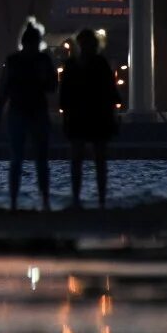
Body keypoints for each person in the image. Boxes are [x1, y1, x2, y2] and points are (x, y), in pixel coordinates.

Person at [0, 19, 57, 211]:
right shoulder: (42, 60)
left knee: (20, 159)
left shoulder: (15, 60)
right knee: (35, 160)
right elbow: (52, 88)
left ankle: (16, 202)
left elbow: (4, 90)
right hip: (31, 112)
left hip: (22, 112)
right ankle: (42, 201)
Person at [58, 29, 120, 209]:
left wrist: (66, 117)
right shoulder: (100, 63)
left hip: (80, 115)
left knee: (79, 159)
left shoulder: (73, 64)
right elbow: (110, 92)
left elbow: (65, 94)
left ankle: (77, 198)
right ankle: (100, 199)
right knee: (98, 159)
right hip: (97, 114)